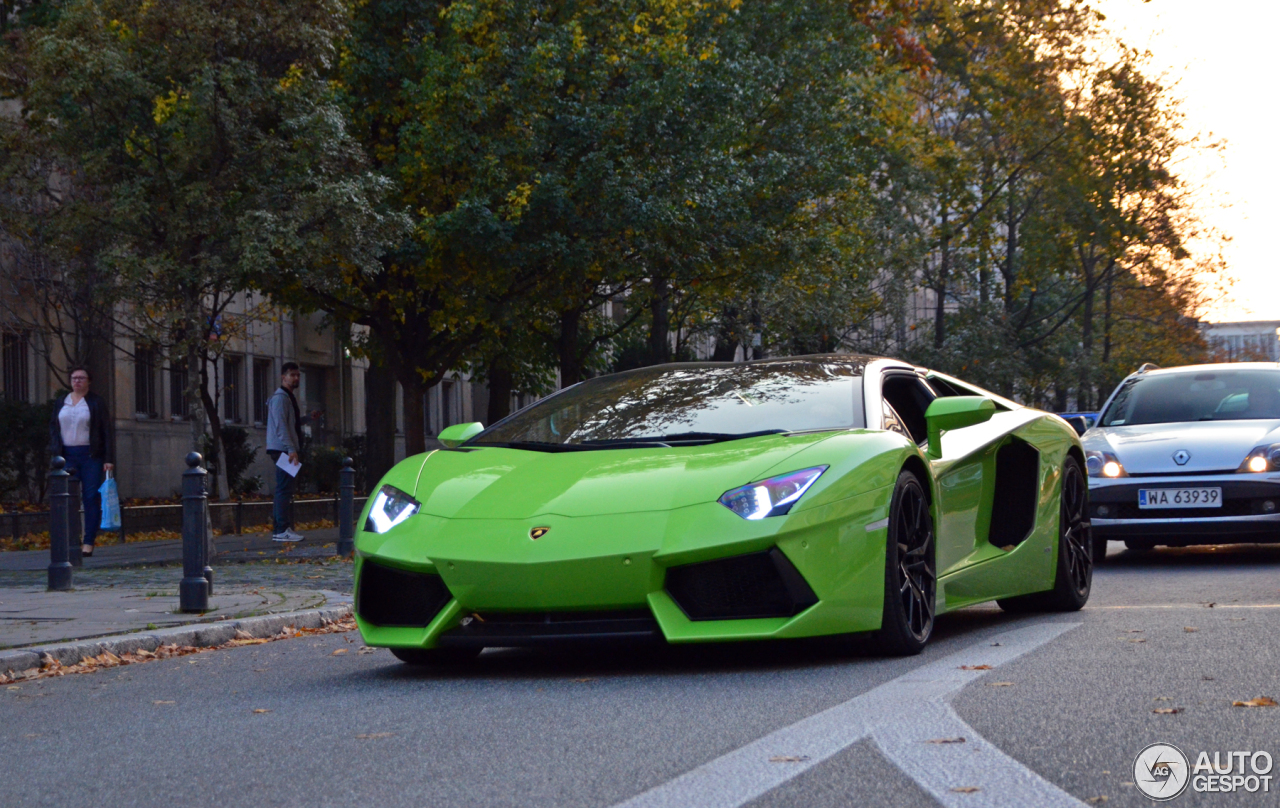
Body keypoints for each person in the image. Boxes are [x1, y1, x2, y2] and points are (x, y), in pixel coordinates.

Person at [47, 366, 114, 557]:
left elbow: (106, 431)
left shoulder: (96, 402)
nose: (77, 381)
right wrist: (55, 452)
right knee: (67, 497)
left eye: (81, 378)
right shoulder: (62, 401)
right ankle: (69, 538)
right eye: (74, 378)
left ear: (88, 381)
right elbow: (53, 427)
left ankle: (88, 541)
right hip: (67, 455)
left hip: (91, 455)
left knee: (90, 497)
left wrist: (108, 458)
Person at [266, 362, 306, 541]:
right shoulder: (281, 398)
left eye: (298, 375)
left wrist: (306, 419)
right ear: (284, 377)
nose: (296, 378)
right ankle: (282, 530)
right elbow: (281, 426)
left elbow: (290, 423)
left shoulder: (286, 397)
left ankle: (281, 529)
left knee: (285, 489)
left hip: (284, 448)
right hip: (283, 449)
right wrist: (291, 449)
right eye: (292, 375)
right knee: (284, 489)